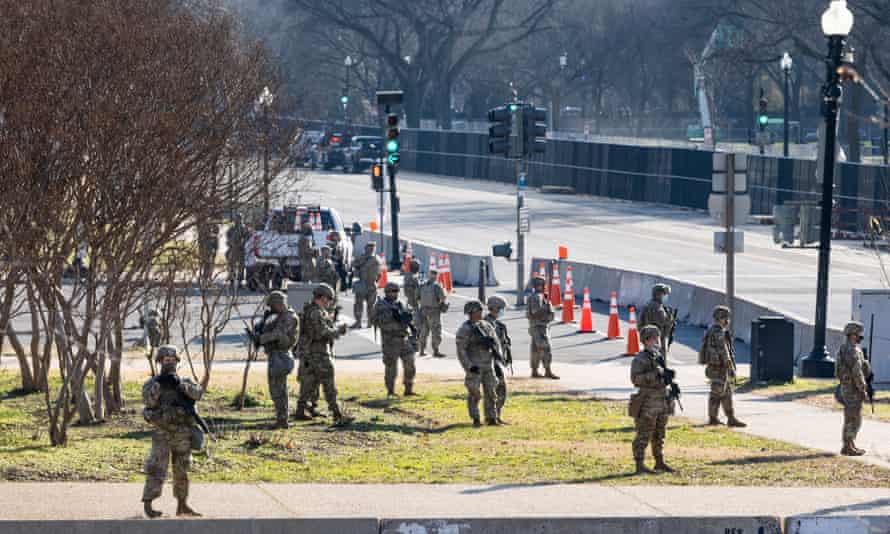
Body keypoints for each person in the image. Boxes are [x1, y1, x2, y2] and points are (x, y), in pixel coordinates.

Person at [141, 345, 203, 518]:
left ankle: (182, 505)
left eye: (172, 360)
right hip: (162, 433)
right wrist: (158, 387)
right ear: (160, 362)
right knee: (156, 469)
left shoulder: (184, 381)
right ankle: (148, 504)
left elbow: (199, 393)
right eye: (166, 360)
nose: (169, 363)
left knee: (182, 470)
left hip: (182, 434)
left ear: (177, 362)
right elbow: (148, 402)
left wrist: (183, 387)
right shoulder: (152, 383)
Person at [295, 283, 353, 425]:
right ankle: (337, 414)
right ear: (322, 297)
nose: (329, 302)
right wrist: (339, 331)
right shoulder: (316, 313)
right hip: (318, 353)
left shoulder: (313, 311)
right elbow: (322, 333)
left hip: (311, 353)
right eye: (328, 299)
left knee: (310, 383)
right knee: (328, 383)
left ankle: (302, 410)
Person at [630, 325, 674, 474]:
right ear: (646, 340)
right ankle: (639, 464)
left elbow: (663, 375)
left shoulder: (658, 356)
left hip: (661, 400)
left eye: (657, 337)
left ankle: (659, 461)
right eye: (654, 338)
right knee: (644, 433)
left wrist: (668, 379)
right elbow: (636, 379)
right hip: (648, 402)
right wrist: (654, 375)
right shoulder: (640, 359)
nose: (657, 341)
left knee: (659, 433)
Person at [252, 290, 299, 429]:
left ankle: (282, 419)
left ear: (279, 304)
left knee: (278, 389)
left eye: (272, 306)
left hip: (281, 356)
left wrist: (261, 339)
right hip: (276, 355)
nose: (271, 309)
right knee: (276, 389)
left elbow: (278, 334)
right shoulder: (279, 316)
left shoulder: (288, 317)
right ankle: (281, 417)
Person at [456, 300, 502, 427]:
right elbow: (461, 351)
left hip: (488, 364)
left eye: (481, 310)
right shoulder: (465, 329)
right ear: (471, 312)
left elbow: (495, 343)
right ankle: (475, 418)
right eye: (478, 310)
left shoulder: (486, 326)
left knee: (491, 392)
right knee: (474, 393)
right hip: (475, 365)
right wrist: (469, 366)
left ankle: (491, 418)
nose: (481, 313)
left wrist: (497, 359)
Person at [700, 305, 746, 428]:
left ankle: (730, 418)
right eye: (726, 318)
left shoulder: (713, 330)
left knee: (727, 393)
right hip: (719, 367)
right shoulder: (718, 332)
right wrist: (730, 366)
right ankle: (713, 418)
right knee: (717, 393)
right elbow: (723, 351)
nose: (727, 321)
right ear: (721, 319)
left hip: (717, 367)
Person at [372, 282, 417, 396]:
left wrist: (407, 318)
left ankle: (408, 389)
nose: (395, 294)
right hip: (390, 340)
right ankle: (391, 390)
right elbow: (376, 321)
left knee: (410, 364)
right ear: (386, 292)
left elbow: (407, 318)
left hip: (403, 338)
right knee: (391, 368)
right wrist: (392, 316)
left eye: (396, 291)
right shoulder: (381, 305)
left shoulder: (400, 303)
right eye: (392, 291)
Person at [836, 321, 871, 456]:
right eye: (858, 334)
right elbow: (857, 372)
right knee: (853, 418)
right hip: (852, 389)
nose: (860, 336)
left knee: (852, 417)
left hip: (849, 387)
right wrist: (863, 389)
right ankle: (847, 446)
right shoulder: (851, 350)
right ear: (852, 334)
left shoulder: (849, 348)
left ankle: (850, 444)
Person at [484, 295, 511, 424]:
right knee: (492, 391)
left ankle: (496, 416)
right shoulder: (485, 324)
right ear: (494, 308)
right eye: (501, 308)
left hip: (497, 363)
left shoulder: (498, 325)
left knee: (501, 389)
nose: (502, 311)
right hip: (489, 363)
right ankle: (491, 418)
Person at [526, 277, 558, 379]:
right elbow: (535, 312)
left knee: (535, 349)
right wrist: (546, 307)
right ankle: (547, 370)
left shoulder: (540, 296)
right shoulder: (536, 297)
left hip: (538, 326)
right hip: (539, 326)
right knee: (546, 348)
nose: (542, 286)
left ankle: (534, 371)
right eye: (540, 284)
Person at [418, 266, 448, 357]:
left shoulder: (422, 284)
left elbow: (417, 297)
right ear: (436, 275)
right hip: (433, 311)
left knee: (424, 331)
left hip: (423, 310)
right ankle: (436, 350)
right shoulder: (437, 286)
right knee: (436, 331)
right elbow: (443, 298)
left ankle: (422, 350)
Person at [350, 242, 381, 329]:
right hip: (370, 284)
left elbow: (354, 264)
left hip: (365, 284)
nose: (370, 249)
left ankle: (360, 322)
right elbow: (380, 274)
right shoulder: (377, 259)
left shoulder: (365, 258)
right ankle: (368, 322)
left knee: (361, 304)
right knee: (369, 305)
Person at [639, 283, 674, 355]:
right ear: (658, 295)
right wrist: (670, 317)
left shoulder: (649, 304)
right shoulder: (657, 307)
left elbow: (640, 323)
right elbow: (664, 322)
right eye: (664, 294)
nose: (665, 296)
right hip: (656, 338)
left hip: (650, 338)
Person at [225, 212, 249, 287]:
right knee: (231, 265)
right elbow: (228, 235)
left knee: (241, 266)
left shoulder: (243, 227)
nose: (237, 220)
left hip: (240, 249)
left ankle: (240, 281)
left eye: (239, 218)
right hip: (233, 248)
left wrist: (242, 243)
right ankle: (232, 280)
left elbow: (246, 237)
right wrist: (229, 242)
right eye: (236, 218)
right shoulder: (232, 228)